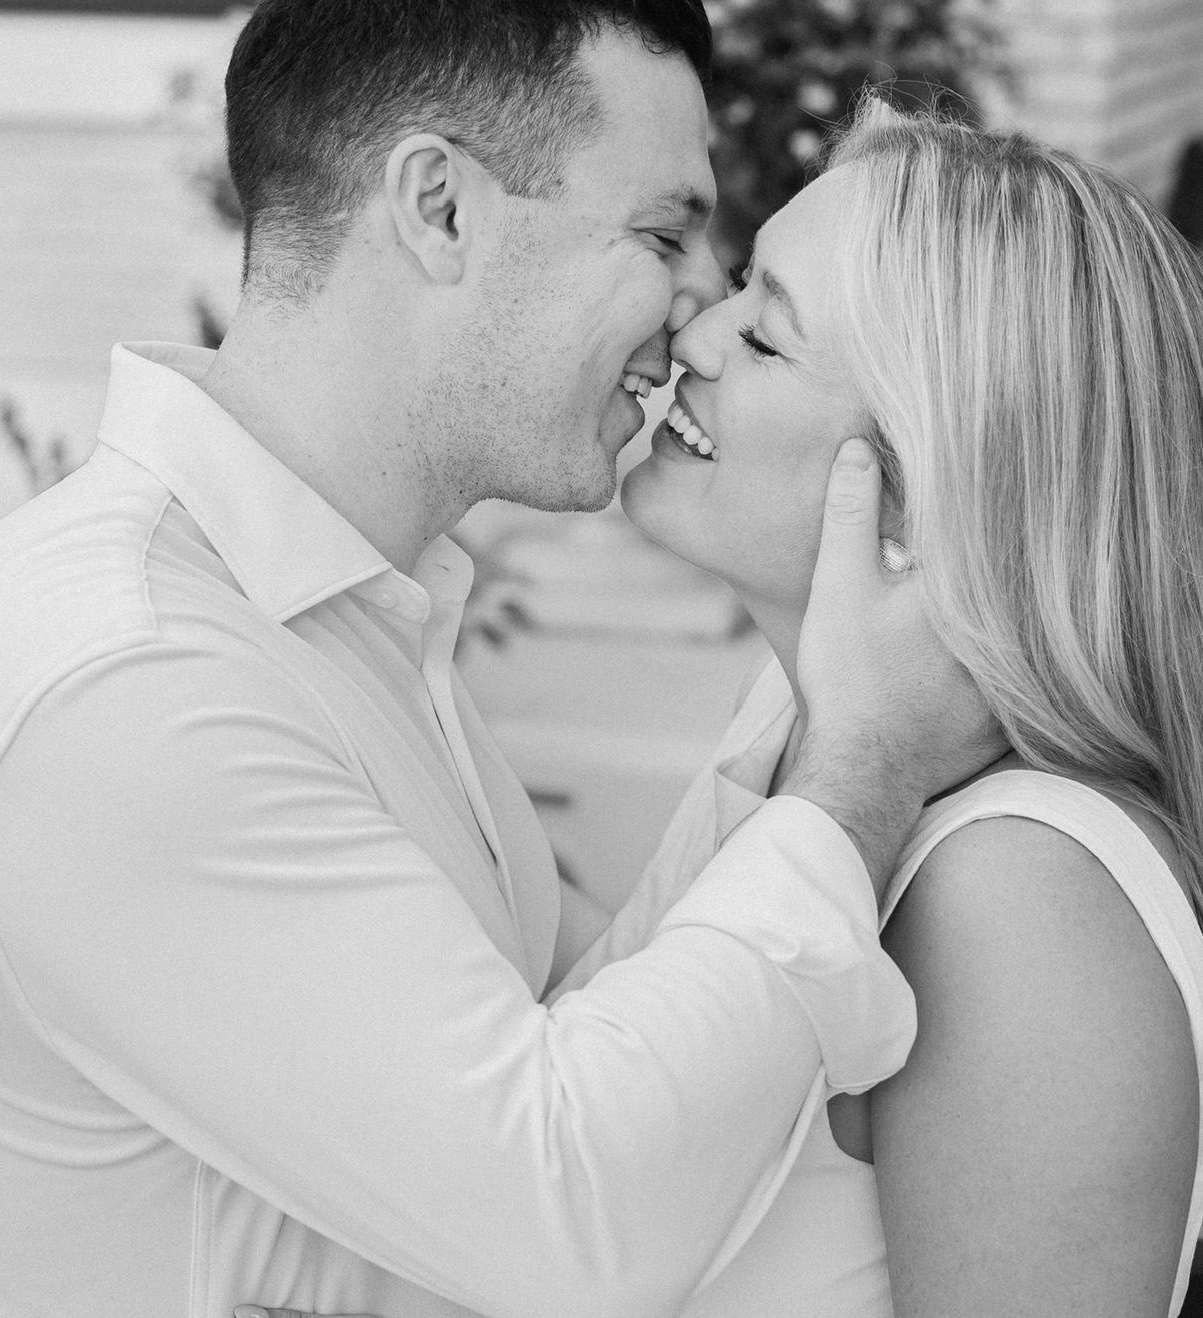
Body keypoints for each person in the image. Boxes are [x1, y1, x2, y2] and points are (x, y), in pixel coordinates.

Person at [0, 0, 996, 1317]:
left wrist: (807, 712)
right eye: (660, 233)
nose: (700, 305)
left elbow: (556, 1046)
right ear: (441, 208)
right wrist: (861, 770)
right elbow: (568, 1220)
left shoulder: (340, 611)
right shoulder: (122, 678)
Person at [243, 98, 1203, 1318]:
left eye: (766, 337)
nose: (694, 334)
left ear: (924, 485)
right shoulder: (805, 755)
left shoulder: (1014, 890)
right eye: (741, 283)